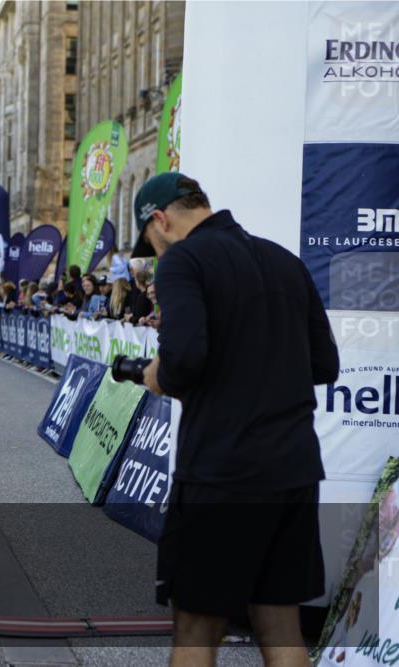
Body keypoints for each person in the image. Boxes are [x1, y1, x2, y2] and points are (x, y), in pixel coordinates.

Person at [130, 172, 339, 667]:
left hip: (223, 471)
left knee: (197, 627)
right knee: (281, 620)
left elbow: (182, 363)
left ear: (160, 219)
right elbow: (324, 365)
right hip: (293, 468)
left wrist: (154, 373)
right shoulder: (283, 260)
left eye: (152, 242)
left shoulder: (182, 259)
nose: (156, 252)